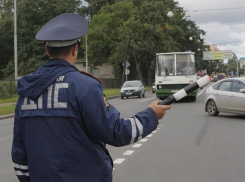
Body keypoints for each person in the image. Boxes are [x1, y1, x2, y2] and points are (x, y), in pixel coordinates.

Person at [11, 13, 171, 182]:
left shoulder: (27, 91)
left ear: (47, 50)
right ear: (75, 49)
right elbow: (117, 132)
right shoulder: (85, 86)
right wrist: (151, 115)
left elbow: (19, 154)